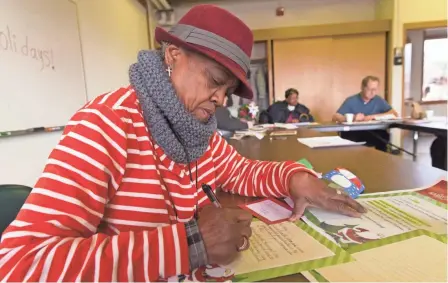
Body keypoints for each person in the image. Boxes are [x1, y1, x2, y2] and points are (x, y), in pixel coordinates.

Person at [0, 5, 365, 282]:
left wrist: (293, 177)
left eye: (228, 91)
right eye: (215, 81)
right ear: (173, 56)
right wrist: (188, 245)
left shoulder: (196, 127)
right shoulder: (107, 123)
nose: (221, 100)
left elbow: (240, 171)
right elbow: (19, 264)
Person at [332, 76, 398, 152]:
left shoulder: (378, 100)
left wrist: (372, 117)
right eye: (370, 89)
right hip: (354, 133)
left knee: (383, 136)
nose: (373, 92)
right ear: (362, 87)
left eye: (375, 89)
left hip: (374, 132)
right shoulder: (351, 100)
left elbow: (394, 113)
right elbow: (335, 117)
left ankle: (380, 161)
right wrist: (352, 118)